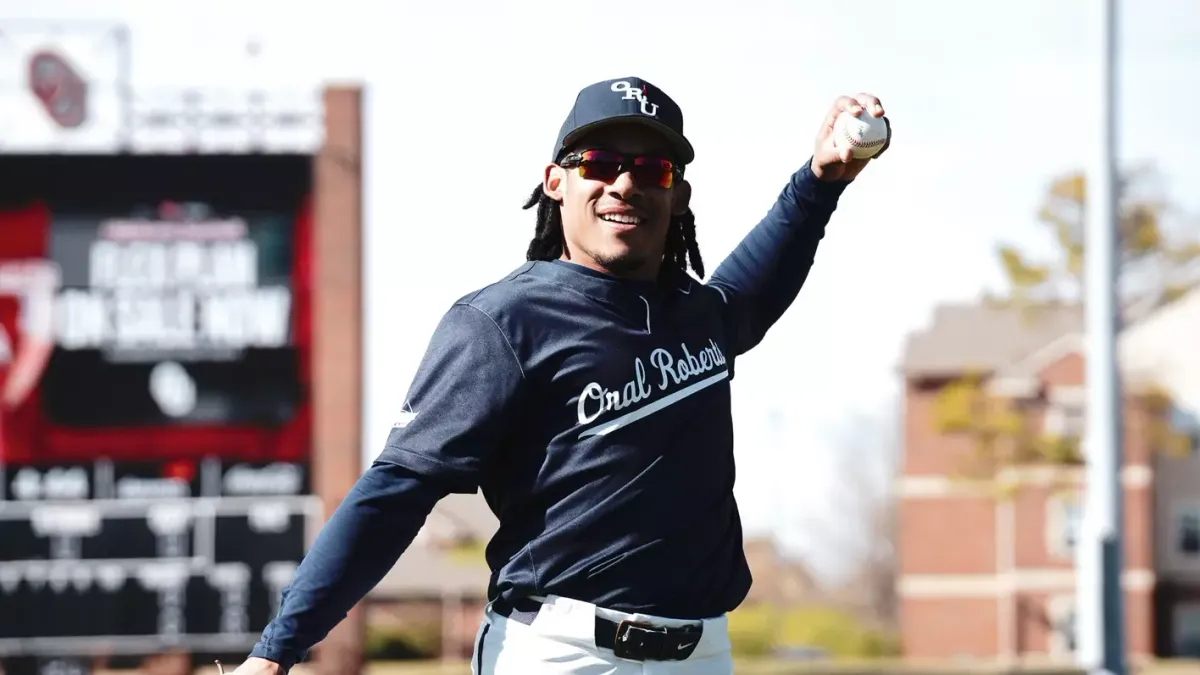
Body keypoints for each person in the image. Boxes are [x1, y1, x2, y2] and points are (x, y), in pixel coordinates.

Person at [230, 76, 890, 675]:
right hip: (558, 652)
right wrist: (276, 648)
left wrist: (822, 178)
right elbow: (396, 490)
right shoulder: (504, 322)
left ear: (676, 191)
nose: (624, 184)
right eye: (599, 164)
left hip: (701, 653)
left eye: (650, 168)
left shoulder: (700, 316)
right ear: (556, 181)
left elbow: (761, 272)